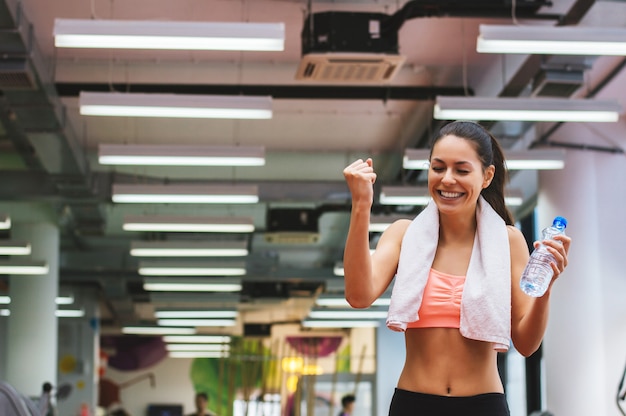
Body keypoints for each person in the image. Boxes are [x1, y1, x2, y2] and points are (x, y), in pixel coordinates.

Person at [342, 121, 571, 416]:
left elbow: (526, 344)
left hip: (483, 405)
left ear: (487, 176)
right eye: (438, 168)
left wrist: (545, 287)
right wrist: (361, 205)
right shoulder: (404, 235)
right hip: (414, 404)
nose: (447, 179)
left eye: (462, 170)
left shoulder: (508, 241)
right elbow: (358, 296)